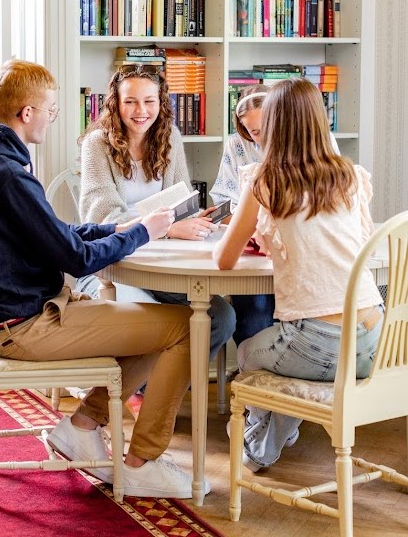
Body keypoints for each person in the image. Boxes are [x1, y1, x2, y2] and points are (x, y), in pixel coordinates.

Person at [0, 59, 209, 499]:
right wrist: (146, 230)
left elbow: (59, 234)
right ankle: (140, 463)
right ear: (27, 113)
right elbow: (75, 257)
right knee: (186, 326)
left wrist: (120, 229)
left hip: (21, 317)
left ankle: (83, 425)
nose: (53, 119)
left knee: (161, 322)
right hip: (30, 326)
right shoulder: (8, 176)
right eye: (50, 110)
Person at [213, 78, 384, 472]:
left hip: (315, 344)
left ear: (273, 125)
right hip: (377, 340)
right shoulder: (351, 176)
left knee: (247, 353)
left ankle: (260, 446)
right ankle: (276, 429)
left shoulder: (264, 180)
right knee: (285, 349)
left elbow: (224, 260)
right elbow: (359, 243)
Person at [77, 64, 236, 359]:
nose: (141, 110)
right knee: (146, 319)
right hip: (113, 267)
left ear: (161, 103)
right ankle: (150, 387)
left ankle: (161, 386)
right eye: (130, 101)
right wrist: (167, 228)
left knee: (222, 317)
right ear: (115, 103)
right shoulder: (96, 145)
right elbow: (102, 218)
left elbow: (181, 201)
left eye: (149, 101)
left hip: (163, 263)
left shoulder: (169, 137)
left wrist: (196, 217)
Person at [210, 85, 276, 349]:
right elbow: (223, 203)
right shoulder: (237, 146)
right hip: (252, 246)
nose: (261, 138)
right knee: (254, 312)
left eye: (266, 127)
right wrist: (248, 222)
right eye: (253, 132)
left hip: (293, 252)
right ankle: (252, 372)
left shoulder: (312, 142)